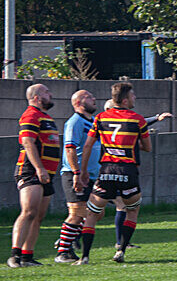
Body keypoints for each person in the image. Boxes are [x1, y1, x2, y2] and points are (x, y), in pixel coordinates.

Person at [73, 82, 151, 265]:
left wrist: (83, 171)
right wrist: (131, 144)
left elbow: (87, 145)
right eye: (132, 95)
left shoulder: (100, 118)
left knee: (92, 214)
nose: (135, 98)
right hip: (128, 171)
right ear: (125, 100)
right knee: (132, 210)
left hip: (106, 171)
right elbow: (147, 147)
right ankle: (121, 250)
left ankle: (85, 257)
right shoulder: (138, 120)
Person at [102, 99, 172, 252]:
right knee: (119, 207)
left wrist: (156, 118)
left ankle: (121, 242)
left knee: (99, 211)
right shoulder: (105, 126)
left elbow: (138, 123)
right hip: (113, 171)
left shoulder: (109, 127)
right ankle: (120, 243)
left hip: (113, 171)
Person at [8, 84, 59, 268]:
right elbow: (28, 142)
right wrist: (39, 168)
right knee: (29, 211)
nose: (50, 94)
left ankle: (27, 256)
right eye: (46, 92)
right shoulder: (31, 115)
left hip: (46, 173)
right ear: (37, 97)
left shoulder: (46, 117)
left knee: (38, 216)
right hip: (31, 170)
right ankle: (15, 255)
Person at [54, 90, 99, 263]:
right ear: (78, 103)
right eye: (89, 97)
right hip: (75, 174)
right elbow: (70, 148)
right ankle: (63, 251)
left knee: (96, 212)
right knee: (78, 212)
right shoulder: (75, 122)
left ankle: (67, 236)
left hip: (91, 175)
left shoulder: (93, 121)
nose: (94, 98)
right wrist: (76, 173)